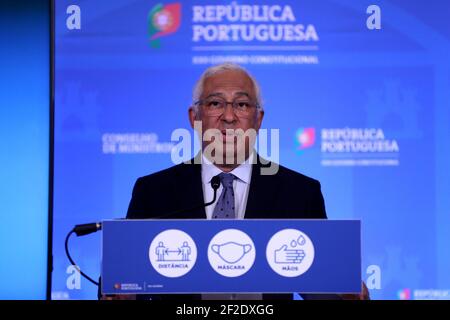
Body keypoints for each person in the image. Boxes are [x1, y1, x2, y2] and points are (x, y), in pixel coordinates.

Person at [109, 62, 368, 300]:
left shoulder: (300, 192)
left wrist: (346, 294)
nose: (229, 116)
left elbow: (320, 288)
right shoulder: (153, 192)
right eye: (215, 104)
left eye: (242, 105)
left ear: (258, 119)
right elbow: (127, 282)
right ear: (194, 117)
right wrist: (117, 291)